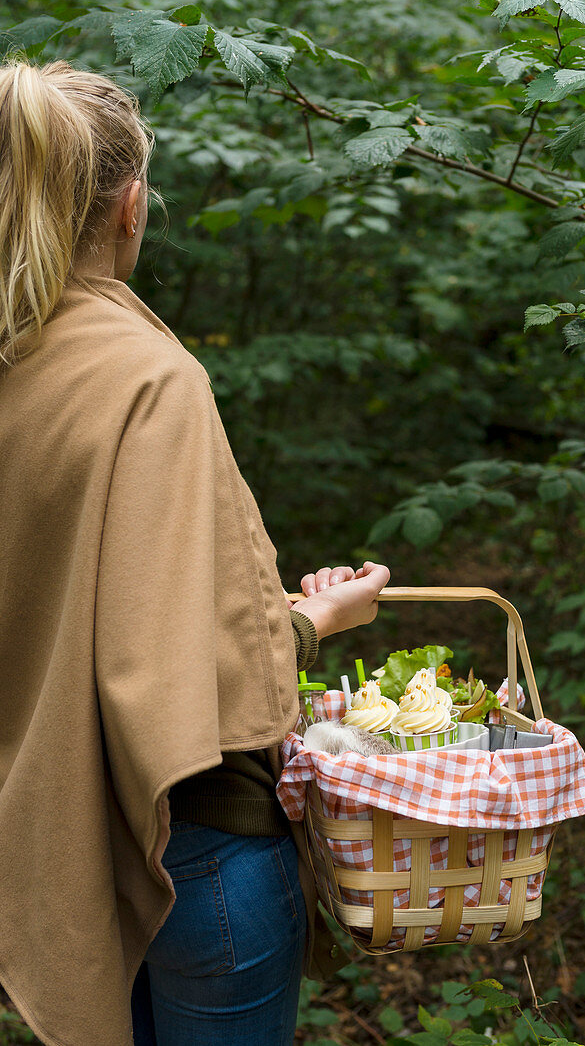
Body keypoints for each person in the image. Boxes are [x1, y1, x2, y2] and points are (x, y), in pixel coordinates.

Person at [0, 55, 390, 1046]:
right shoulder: (148, 378)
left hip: (52, 843)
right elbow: (183, 680)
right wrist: (317, 619)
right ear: (129, 205)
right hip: (196, 848)